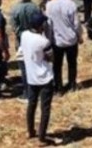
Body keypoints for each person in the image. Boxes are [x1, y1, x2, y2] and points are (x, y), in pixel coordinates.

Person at [20, 11, 55, 145]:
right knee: (45, 108)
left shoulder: (24, 35)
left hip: (31, 76)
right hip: (44, 77)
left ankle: (30, 131)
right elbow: (50, 57)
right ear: (40, 25)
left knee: (32, 104)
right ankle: (42, 136)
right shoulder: (43, 41)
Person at [46, 0, 81, 94]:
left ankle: (58, 87)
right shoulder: (71, 4)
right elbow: (76, 24)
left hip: (57, 40)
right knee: (72, 63)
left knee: (57, 65)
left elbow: (49, 24)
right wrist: (79, 36)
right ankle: (72, 85)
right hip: (70, 39)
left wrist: (49, 39)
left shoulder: (50, 5)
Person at [11, 0, 39, 101]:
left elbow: (13, 27)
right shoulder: (34, 7)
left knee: (24, 68)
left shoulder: (15, 9)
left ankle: (27, 93)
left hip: (22, 41)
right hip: (35, 39)